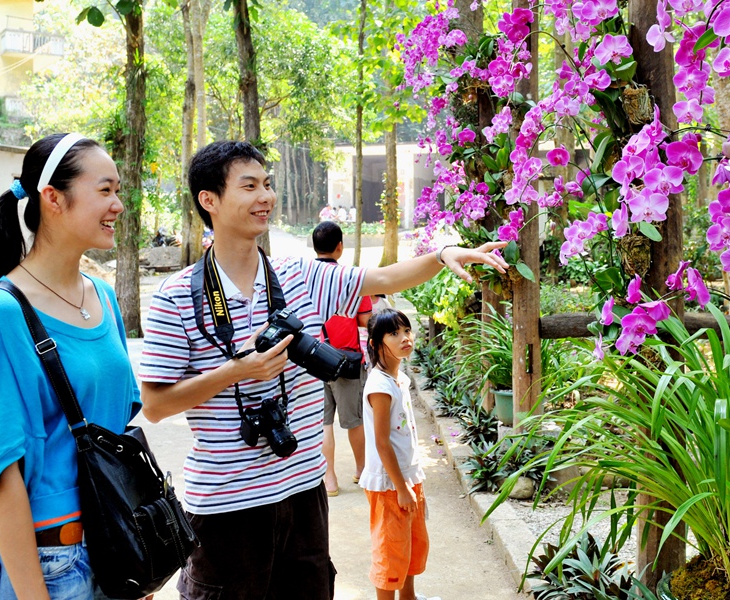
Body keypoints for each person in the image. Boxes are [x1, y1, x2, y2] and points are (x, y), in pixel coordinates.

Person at [138, 140, 506, 600]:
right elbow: (155, 405)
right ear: (208, 200)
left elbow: (384, 278)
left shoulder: (299, 276)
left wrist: (442, 255)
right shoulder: (176, 297)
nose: (266, 197)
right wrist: (239, 371)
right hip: (225, 507)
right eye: (249, 187)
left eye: (267, 184)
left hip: (303, 494)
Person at [0, 133, 141, 599]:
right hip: (53, 564)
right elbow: (1, 473)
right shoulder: (1, 314)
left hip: (118, 547)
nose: (118, 205)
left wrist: (138, 545)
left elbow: (122, 434)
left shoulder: (104, 298)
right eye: (105, 190)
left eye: (118, 190)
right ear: (53, 198)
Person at [360, 308, 438, 600]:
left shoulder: (399, 378)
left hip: (406, 477)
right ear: (375, 343)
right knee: (390, 551)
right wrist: (402, 488)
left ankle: (409, 597)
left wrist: (409, 483)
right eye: (394, 333)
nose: (405, 338)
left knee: (412, 545)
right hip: (390, 484)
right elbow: (382, 443)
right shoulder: (379, 386)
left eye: (406, 330)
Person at [312, 221, 373, 496]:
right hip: (346, 361)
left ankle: (329, 479)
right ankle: (361, 470)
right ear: (340, 247)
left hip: (313, 360)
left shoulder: (303, 278)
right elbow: (366, 320)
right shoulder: (352, 279)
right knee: (354, 421)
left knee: (323, 423)